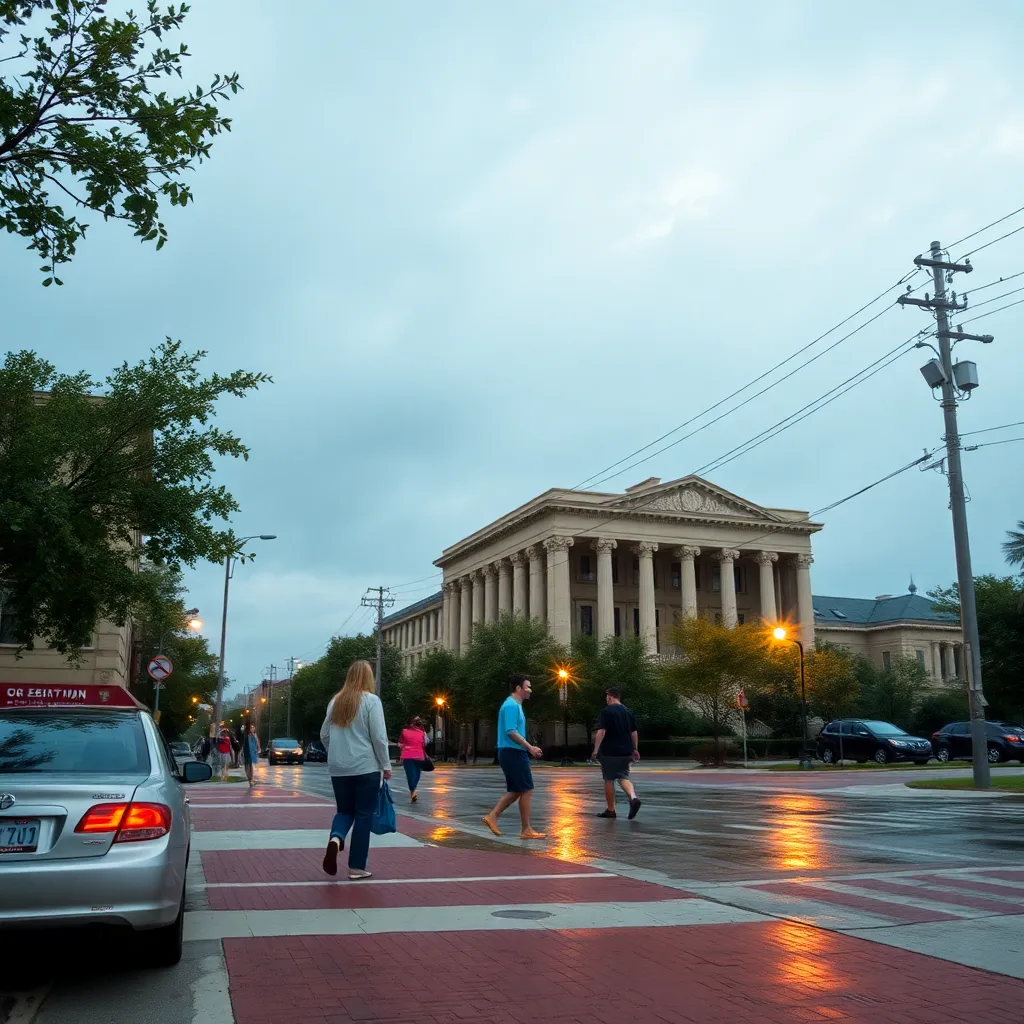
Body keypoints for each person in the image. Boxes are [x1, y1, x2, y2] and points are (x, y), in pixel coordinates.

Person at [319, 659, 392, 881]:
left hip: (339, 768)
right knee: (363, 815)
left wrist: (337, 753)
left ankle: (336, 839)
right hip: (365, 767)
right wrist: (386, 764)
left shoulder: (335, 702)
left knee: (344, 811)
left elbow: (324, 734)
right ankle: (356, 867)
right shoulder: (371, 701)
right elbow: (379, 737)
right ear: (368, 678)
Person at [482, 675, 545, 840]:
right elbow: (511, 731)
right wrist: (530, 747)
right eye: (528, 686)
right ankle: (525, 829)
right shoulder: (511, 705)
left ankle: (493, 816)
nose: (530, 690)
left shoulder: (514, 705)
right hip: (512, 752)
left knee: (518, 790)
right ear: (518, 688)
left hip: (511, 752)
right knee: (527, 789)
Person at [591, 687, 641, 819]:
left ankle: (610, 810)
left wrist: (595, 750)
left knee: (609, 779)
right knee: (623, 777)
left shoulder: (607, 711)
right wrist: (635, 749)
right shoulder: (628, 711)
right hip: (626, 751)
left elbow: (602, 731)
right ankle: (633, 797)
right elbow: (634, 732)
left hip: (610, 751)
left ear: (610, 696)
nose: (606, 700)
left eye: (606, 697)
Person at [398, 716, 429, 803]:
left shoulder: (404, 731)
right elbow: (425, 743)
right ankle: (413, 790)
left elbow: (400, 744)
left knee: (410, 775)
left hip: (408, 756)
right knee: (417, 774)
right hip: (419, 755)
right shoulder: (422, 733)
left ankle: (413, 791)